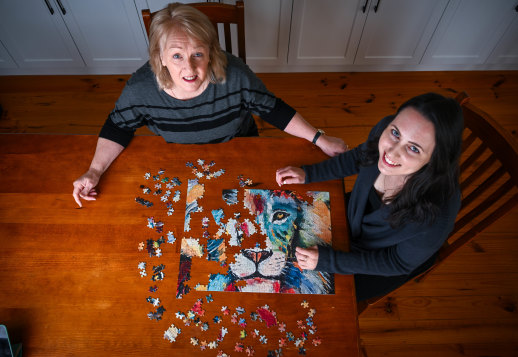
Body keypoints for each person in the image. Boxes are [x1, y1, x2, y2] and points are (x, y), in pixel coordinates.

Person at [72, 3, 346, 207]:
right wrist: (94, 171)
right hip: (180, 159)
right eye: (177, 55)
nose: (188, 67)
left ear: (211, 52)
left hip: (238, 147)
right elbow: (118, 127)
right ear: (160, 56)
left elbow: (272, 108)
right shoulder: (140, 88)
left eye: (198, 54)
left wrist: (319, 138)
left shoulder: (235, 74)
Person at [275, 93, 464, 301]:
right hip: (356, 215)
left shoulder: (436, 215)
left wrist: (331, 261)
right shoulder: (384, 131)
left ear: (434, 160)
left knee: (316, 300)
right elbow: (360, 156)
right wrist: (310, 173)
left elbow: (396, 263)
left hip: (380, 259)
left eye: (413, 148)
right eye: (395, 133)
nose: (391, 152)